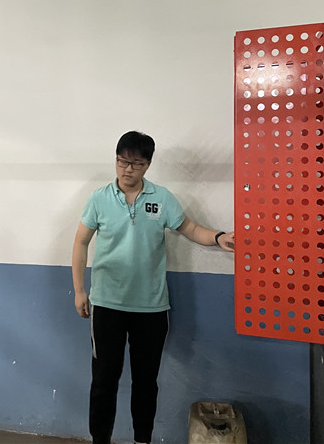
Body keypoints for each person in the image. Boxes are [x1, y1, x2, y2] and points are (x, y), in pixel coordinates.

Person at [71, 131, 235, 444]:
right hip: (106, 305)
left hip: (151, 308)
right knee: (104, 381)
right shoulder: (99, 199)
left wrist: (218, 237)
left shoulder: (161, 198)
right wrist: (80, 290)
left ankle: (142, 440)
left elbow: (190, 228)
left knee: (146, 382)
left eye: (136, 163)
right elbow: (80, 242)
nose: (127, 169)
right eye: (122, 161)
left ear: (147, 165)